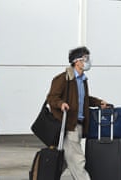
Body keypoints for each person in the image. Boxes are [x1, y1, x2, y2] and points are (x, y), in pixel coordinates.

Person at [47, 46, 109, 180]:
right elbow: (51, 98)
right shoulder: (64, 78)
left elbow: (84, 100)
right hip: (69, 126)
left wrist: (98, 102)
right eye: (85, 58)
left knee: (65, 160)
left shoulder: (82, 80)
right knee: (77, 160)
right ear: (77, 61)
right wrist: (61, 104)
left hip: (79, 125)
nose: (88, 61)